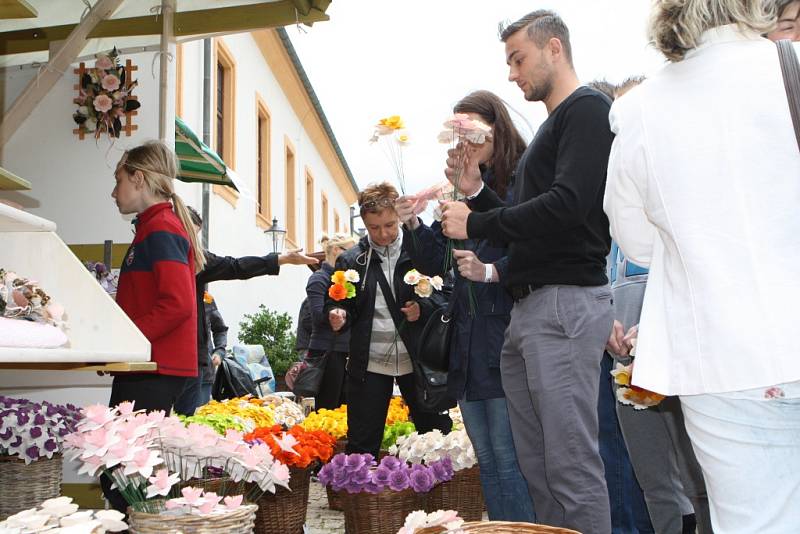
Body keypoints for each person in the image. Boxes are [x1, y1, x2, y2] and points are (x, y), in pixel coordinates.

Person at [604, 1, 800, 532]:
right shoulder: (791, 67)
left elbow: (638, 245)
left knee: (754, 522)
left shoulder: (641, 108)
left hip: (721, 356)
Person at [439, 11, 615, 534]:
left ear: (554, 48)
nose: (512, 74)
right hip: (533, 310)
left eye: (519, 58)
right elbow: (532, 223)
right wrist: (474, 190)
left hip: (563, 303)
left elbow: (568, 206)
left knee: (569, 466)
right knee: (539, 467)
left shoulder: (587, 110)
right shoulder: (553, 127)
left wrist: (477, 217)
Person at [395, 90, 535, 523]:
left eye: (475, 131)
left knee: (511, 459)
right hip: (468, 339)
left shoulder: (518, 177)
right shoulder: (457, 189)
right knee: (488, 459)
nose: (467, 143)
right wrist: (414, 222)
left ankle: (524, 530)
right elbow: (434, 261)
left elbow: (529, 241)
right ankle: (501, 528)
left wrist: (489, 268)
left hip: (506, 332)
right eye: (460, 134)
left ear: (497, 130)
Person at [604, 78, 711, 534]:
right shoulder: (612, 211)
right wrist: (604, 322)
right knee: (652, 479)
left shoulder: (686, 198)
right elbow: (602, 284)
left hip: (681, 359)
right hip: (627, 368)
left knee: (698, 475)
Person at [107, 140, 202, 513]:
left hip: (153, 367)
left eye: (119, 180)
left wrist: (127, 342)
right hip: (148, 364)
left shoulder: (161, 227)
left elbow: (176, 304)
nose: (114, 191)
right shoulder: (153, 226)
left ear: (139, 178)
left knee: (127, 475)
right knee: (125, 472)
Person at [326, 182, 452, 459]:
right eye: (374, 228)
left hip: (418, 359)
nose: (383, 234)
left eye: (390, 225)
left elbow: (447, 292)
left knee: (435, 435)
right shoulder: (351, 260)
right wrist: (338, 315)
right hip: (370, 362)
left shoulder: (419, 250)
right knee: (362, 441)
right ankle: (365, 499)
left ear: (398, 217)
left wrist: (424, 308)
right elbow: (340, 301)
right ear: (364, 223)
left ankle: (439, 496)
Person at [173, 206, 318, 416]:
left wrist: (280, 259)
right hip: (169, 361)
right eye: (189, 234)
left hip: (196, 363)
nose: (192, 243)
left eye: (195, 236)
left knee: (188, 425)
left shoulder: (196, 261)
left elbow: (236, 266)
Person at [304, 232, 357, 410]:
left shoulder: (344, 279)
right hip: (328, 352)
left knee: (345, 408)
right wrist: (337, 315)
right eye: (350, 252)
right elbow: (317, 317)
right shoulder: (319, 278)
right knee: (328, 408)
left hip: (343, 351)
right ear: (336, 250)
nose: (354, 257)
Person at [200, 292, 228, 406]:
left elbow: (220, 329)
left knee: (199, 419)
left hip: (205, 373)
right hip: (174, 373)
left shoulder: (207, 299)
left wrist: (219, 351)